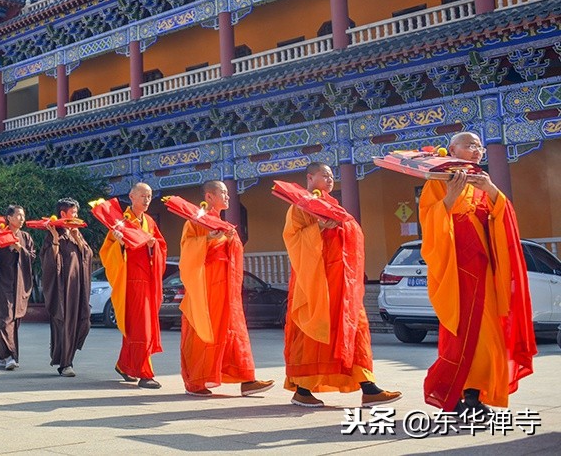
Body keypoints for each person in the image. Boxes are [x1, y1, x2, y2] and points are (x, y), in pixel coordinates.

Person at [419, 132, 535, 415]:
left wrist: (493, 191)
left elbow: (501, 218)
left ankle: (474, 394)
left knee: (490, 339)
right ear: (452, 149)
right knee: (462, 336)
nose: (476, 150)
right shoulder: (438, 180)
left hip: (484, 271)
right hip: (458, 271)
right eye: (469, 145)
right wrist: (451, 197)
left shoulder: (482, 182)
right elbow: (431, 222)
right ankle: (457, 394)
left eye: (479, 146)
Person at [282, 162, 400, 408]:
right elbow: (293, 239)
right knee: (316, 332)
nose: (330, 179)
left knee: (355, 329)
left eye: (331, 175)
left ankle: (368, 387)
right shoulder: (300, 206)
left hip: (343, 283)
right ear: (310, 177)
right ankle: (303, 390)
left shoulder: (333, 205)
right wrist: (318, 227)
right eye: (324, 175)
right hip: (317, 283)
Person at [179, 181, 273, 397]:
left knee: (234, 331)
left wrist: (231, 240)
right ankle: (196, 381)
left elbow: (235, 250)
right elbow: (188, 251)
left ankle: (247, 380)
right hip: (206, 288)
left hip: (227, 289)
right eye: (223, 192)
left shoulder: (223, 224)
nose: (228, 196)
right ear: (209, 197)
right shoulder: (195, 221)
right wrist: (207, 239)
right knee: (204, 331)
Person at [99, 182, 167, 389]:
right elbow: (106, 253)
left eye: (149, 196)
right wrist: (120, 243)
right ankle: (144, 373)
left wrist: (153, 246)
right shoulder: (120, 222)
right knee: (141, 329)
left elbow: (161, 247)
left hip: (147, 281)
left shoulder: (150, 222)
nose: (147, 200)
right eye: (143, 196)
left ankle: (124, 365)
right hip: (130, 282)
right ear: (131, 196)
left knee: (137, 328)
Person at [39, 198, 91, 377]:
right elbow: (49, 262)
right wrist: (55, 240)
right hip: (62, 290)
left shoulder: (76, 233)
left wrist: (77, 239)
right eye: (73, 213)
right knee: (65, 324)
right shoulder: (54, 233)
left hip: (78, 288)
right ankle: (65, 364)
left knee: (83, 322)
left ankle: (67, 358)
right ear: (63, 214)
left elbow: (87, 254)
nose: (76, 216)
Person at [0, 205, 36, 371]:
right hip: (2, 283)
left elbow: (32, 257)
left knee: (14, 320)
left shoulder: (25, 237)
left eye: (23, 215)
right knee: (4, 319)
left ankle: (1, 354)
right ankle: (9, 356)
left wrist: (20, 249)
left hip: (19, 283)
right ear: (9, 218)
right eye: (18, 215)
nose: (22, 218)